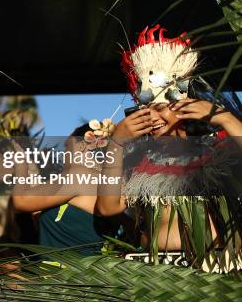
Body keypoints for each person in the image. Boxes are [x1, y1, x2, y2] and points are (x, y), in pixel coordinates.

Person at [95, 25, 242, 268]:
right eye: (145, 110)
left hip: (217, 264)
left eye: (160, 108)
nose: (152, 117)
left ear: (185, 104)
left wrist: (224, 117)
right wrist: (116, 144)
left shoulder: (217, 149)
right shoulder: (137, 158)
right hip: (156, 271)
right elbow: (107, 207)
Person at [12, 121, 121, 255]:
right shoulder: (113, 185)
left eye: (68, 147)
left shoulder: (79, 175)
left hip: (62, 273)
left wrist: (20, 164)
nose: (65, 154)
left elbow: (21, 201)